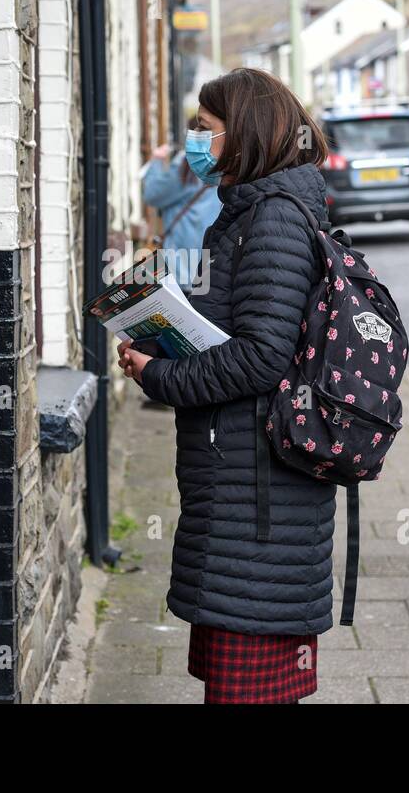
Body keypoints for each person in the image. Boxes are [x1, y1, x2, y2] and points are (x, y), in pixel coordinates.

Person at [117, 67, 339, 704]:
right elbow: (240, 325)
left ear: (243, 136)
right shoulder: (249, 214)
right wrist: (161, 324)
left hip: (261, 499)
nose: (195, 141)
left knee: (248, 695)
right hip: (243, 489)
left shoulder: (273, 218)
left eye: (205, 129)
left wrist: (160, 375)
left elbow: (261, 357)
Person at [140, 117, 220, 292]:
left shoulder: (186, 166)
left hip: (181, 270)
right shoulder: (223, 165)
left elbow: (152, 195)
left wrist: (156, 162)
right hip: (210, 268)